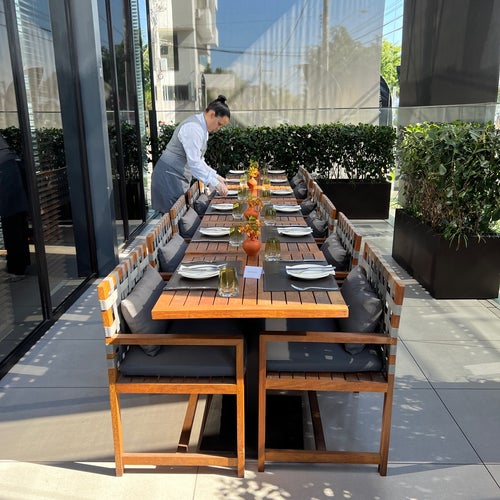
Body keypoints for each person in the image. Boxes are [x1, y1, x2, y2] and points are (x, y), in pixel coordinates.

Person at [151, 95, 231, 214]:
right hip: (168, 177)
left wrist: (215, 176)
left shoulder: (202, 128)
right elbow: (194, 164)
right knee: (171, 219)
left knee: (178, 217)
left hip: (176, 176)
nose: (218, 128)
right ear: (212, 114)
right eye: (219, 124)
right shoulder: (193, 128)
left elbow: (199, 160)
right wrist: (215, 183)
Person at [0, 134, 30, 281]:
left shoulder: (3, 160)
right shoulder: (10, 154)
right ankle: (22, 264)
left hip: (9, 193)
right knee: (19, 227)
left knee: (12, 230)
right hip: (17, 191)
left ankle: (17, 270)